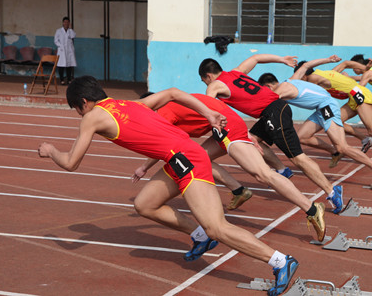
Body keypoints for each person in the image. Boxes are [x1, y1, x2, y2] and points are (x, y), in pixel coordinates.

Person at [38, 76, 298, 296]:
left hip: (188, 161)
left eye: (77, 109)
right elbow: (173, 93)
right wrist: (207, 112)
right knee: (144, 204)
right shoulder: (129, 103)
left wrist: (50, 150)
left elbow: (71, 163)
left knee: (217, 226)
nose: (79, 114)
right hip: (179, 158)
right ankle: (199, 236)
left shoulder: (92, 117)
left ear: (83, 102)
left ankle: (280, 261)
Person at [137, 93, 329, 231]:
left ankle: (311, 208)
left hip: (226, 128)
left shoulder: (163, 113)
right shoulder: (178, 102)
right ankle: (238, 190)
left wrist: (144, 167)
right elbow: (215, 107)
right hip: (227, 125)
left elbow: (164, 144)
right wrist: (244, 130)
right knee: (196, 157)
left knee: (263, 174)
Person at [199, 55, 343, 219]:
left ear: (208, 76)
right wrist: (282, 59)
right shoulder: (236, 72)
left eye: (204, 81)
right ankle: (282, 170)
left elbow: (208, 109)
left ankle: (331, 190)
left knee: (298, 158)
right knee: (251, 139)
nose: (206, 84)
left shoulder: (214, 86)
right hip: (273, 111)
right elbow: (255, 58)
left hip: (274, 113)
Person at [256, 61, 372, 193]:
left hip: (327, 107)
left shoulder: (280, 90)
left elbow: (265, 105)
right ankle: (334, 152)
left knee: (342, 146)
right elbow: (306, 66)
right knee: (302, 137)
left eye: (264, 90)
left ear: (268, 86)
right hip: (321, 108)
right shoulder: (291, 79)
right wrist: (329, 60)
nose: (264, 93)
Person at [290, 55, 372, 170]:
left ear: (304, 75)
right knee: (337, 121)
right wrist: (364, 68)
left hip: (360, 95)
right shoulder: (327, 73)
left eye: (301, 77)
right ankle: (365, 139)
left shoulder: (313, 79)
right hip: (353, 97)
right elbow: (346, 63)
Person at [54, 16, 76, 85]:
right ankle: (61, 79)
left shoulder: (70, 31)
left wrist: (71, 28)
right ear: (63, 23)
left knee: (69, 65)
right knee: (61, 65)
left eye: (67, 22)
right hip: (62, 50)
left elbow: (73, 36)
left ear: (69, 23)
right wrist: (61, 46)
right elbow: (56, 40)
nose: (66, 23)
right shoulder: (58, 31)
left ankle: (69, 79)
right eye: (65, 22)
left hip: (69, 50)